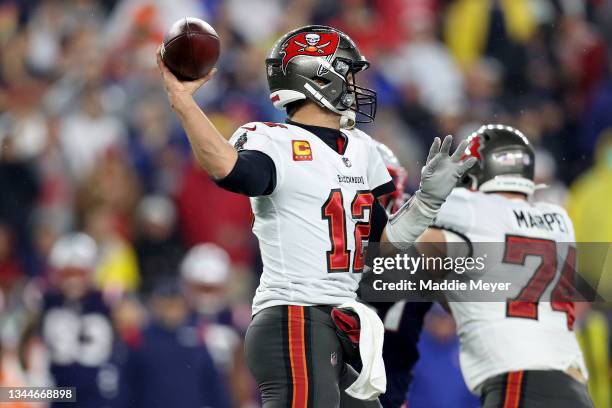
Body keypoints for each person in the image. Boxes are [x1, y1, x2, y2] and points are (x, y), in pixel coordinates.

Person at [157, 24, 475, 407]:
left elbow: (383, 246)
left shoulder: (363, 150)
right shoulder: (274, 139)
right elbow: (228, 169)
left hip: (338, 325)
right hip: (293, 318)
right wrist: (182, 100)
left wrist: (427, 202)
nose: (357, 85)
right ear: (320, 77)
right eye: (349, 73)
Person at [416, 125, 593, 407]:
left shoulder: (471, 207)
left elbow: (408, 238)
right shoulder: (559, 219)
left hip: (520, 380)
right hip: (574, 387)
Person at [20, 233, 120, 408]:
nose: (73, 280)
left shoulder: (108, 302)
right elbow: (24, 346)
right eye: (66, 273)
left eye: (79, 272)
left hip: (98, 393)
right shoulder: (44, 302)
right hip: (61, 394)